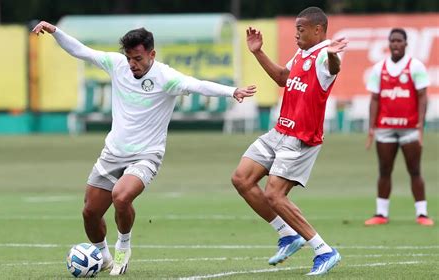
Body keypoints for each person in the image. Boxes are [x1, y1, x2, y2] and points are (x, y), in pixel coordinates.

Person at [32, 21, 256, 276]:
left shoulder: (166, 78)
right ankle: (102, 256)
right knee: (90, 212)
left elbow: (197, 85)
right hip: (112, 153)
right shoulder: (117, 66)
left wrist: (233, 91)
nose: (132, 64)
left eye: (137, 58)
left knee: (121, 195)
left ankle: (123, 246)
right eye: (129, 58)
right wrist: (55, 31)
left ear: (152, 54)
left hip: (146, 156)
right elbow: (81, 51)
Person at [231, 7, 348, 276]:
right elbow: (283, 78)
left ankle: (324, 250)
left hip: (301, 138)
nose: (296, 34)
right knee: (241, 179)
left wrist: (333, 56)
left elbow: (334, 69)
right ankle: (287, 235)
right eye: (295, 29)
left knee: (274, 193)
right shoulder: (301, 52)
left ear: (318, 30)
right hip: (280, 131)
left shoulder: (325, 55)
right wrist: (258, 52)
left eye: (301, 29)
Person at [364, 28, 433, 226]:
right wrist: (371, 127)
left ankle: (422, 214)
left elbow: (422, 96)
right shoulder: (379, 68)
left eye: (399, 41)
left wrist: (420, 124)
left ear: (406, 43)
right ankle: (381, 213)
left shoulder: (415, 66)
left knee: (415, 170)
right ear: (389, 44)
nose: (395, 44)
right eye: (392, 41)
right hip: (385, 127)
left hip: (410, 127)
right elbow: (374, 99)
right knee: (384, 170)